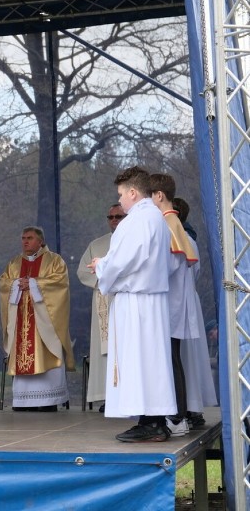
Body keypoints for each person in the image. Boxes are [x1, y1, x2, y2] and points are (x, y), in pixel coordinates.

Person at [89, 166, 175, 442]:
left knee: (139, 360)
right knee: (149, 362)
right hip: (149, 300)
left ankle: (150, 422)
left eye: (122, 195)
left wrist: (101, 265)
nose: (121, 201)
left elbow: (123, 260)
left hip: (137, 301)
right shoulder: (155, 218)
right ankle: (152, 419)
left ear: (134, 193)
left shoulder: (138, 220)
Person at [0, 226, 74, 411]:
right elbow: (3, 283)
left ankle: (49, 401)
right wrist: (16, 284)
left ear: (40, 241)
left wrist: (33, 283)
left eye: (30, 238)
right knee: (22, 352)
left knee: (47, 349)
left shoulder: (55, 261)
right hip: (21, 318)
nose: (25, 241)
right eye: (23, 238)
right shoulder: (14, 263)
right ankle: (24, 401)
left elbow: (60, 283)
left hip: (44, 321)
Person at [150, 173, 198, 437]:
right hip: (169, 304)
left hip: (168, 305)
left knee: (170, 359)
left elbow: (167, 266)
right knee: (170, 359)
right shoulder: (171, 223)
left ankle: (177, 417)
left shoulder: (168, 224)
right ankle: (176, 414)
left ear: (159, 196)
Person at [76, 204, 125, 412]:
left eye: (118, 216)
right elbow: (83, 271)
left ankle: (126, 395)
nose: (114, 220)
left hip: (125, 301)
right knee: (105, 351)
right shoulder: (97, 245)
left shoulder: (132, 241)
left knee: (124, 349)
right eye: (110, 217)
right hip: (103, 302)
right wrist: (103, 280)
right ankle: (107, 396)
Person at [174, 197, 218, 429]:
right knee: (184, 358)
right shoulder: (185, 239)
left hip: (182, 302)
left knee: (187, 357)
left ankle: (190, 407)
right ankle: (189, 407)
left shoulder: (185, 240)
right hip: (184, 300)